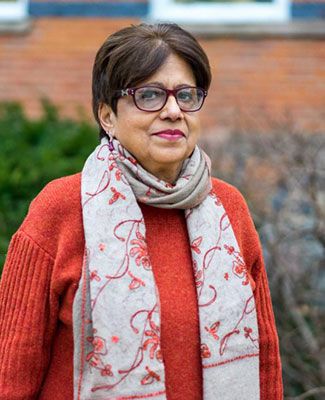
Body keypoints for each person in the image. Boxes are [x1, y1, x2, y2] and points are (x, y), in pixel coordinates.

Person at [0, 23, 282, 400]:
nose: (172, 111)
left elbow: (265, 363)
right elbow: (11, 372)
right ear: (107, 116)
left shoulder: (229, 208)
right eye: (149, 95)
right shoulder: (62, 208)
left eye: (186, 95)